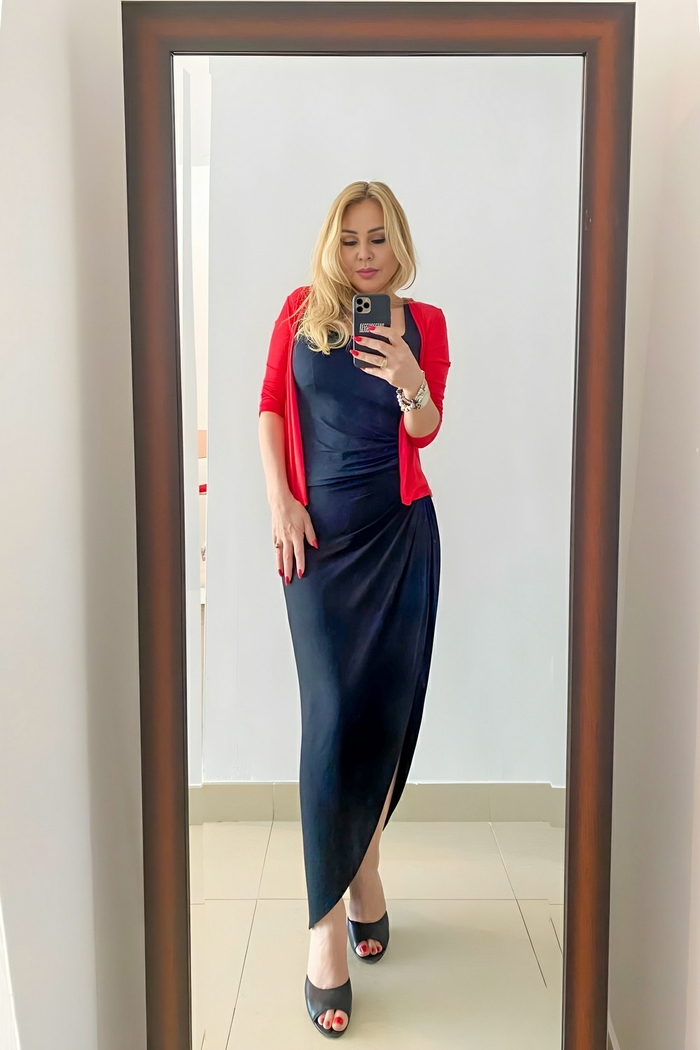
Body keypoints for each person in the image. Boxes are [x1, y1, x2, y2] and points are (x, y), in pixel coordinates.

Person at [258, 180, 450, 1038]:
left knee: (380, 722)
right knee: (331, 721)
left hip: (399, 540)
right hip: (316, 545)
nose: (365, 253)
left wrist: (411, 379)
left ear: (397, 242)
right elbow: (270, 407)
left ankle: (363, 875)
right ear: (331, 245)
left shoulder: (426, 324)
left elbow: (426, 430)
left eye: (378, 237)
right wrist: (279, 503)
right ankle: (324, 930)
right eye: (350, 239)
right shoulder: (300, 312)